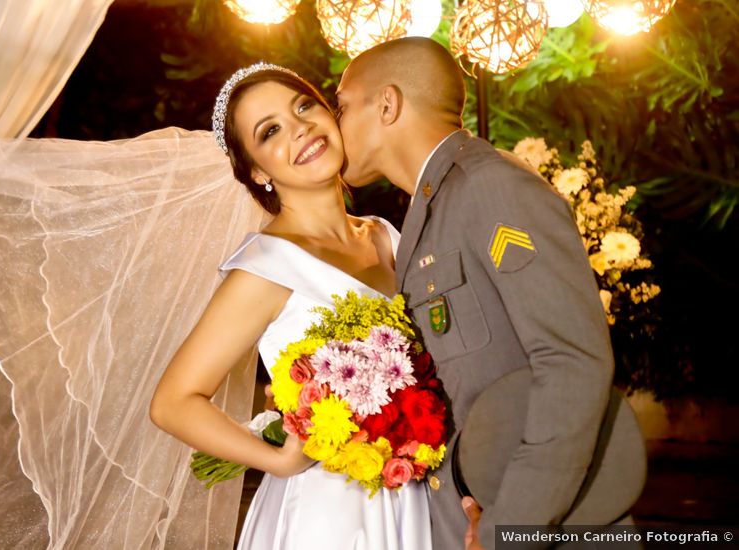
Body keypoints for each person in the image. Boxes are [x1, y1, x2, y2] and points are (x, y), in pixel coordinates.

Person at [335, 38, 616, 549]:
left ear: (387, 104)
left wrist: (516, 521)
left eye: (342, 105)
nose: (334, 126)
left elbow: (573, 362)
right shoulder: (430, 208)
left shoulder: (490, 187)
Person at [150, 63, 433, 550]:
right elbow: (173, 402)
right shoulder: (266, 267)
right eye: (271, 131)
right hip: (332, 515)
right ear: (258, 171)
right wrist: (278, 459)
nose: (299, 127)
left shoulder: (386, 235)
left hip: (418, 490)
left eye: (304, 106)